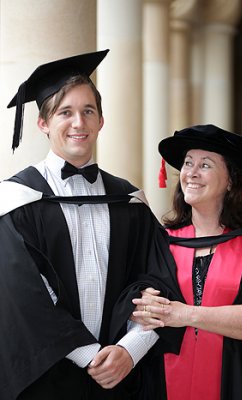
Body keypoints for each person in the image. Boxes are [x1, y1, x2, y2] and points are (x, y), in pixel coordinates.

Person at [0, 51, 184, 400]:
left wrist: (131, 349)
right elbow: (24, 297)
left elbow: (157, 280)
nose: (78, 123)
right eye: (65, 113)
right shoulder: (16, 201)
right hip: (47, 375)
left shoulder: (129, 201)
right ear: (43, 123)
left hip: (121, 375)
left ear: (101, 121)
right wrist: (90, 356)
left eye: (88, 111)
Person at [130, 124, 242, 400]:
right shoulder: (163, 242)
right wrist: (141, 304)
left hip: (239, 384)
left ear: (231, 180)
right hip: (166, 385)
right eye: (188, 163)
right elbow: (136, 300)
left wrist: (184, 314)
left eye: (205, 165)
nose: (192, 173)